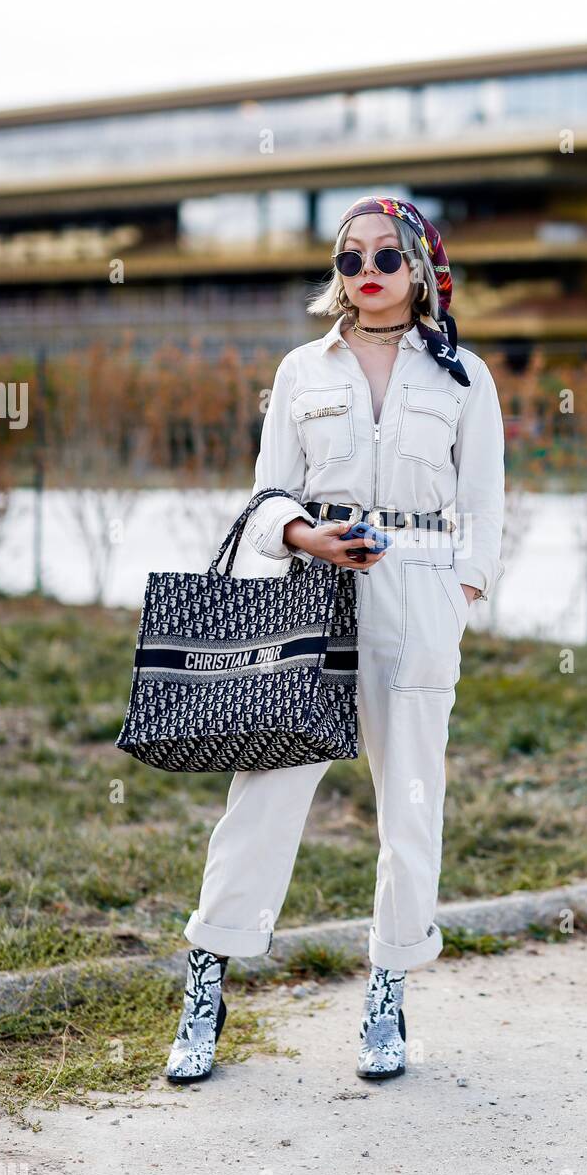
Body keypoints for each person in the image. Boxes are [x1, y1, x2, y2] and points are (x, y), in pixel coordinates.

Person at [166, 194, 506, 1084]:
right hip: (314, 590)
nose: (364, 274)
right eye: (348, 258)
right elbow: (267, 495)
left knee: (410, 800)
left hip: (419, 597)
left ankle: (388, 989)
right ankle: (207, 980)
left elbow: (484, 510)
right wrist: (305, 537)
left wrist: (457, 594)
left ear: (421, 269)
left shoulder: (465, 377)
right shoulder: (301, 370)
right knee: (266, 791)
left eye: (384, 258)